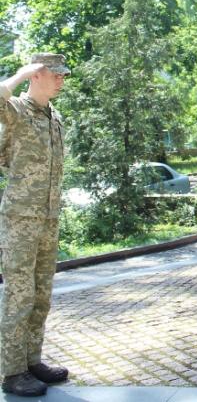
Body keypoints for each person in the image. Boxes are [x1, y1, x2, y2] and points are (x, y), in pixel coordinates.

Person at [0, 54, 71, 397]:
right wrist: (19, 74)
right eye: (55, 75)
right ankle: (12, 372)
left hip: (48, 218)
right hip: (20, 219)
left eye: (62, 75)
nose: (61, 80)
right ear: (37, 75)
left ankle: (31, 361)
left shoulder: (54, 116)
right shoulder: (14, 109)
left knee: (41, 295)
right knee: (19, 294)